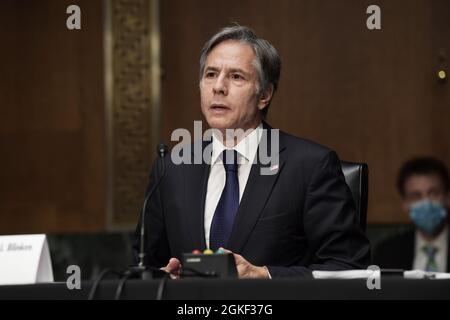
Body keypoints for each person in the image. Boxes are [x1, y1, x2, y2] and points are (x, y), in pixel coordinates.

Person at [133, 25, 370, 278]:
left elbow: (349, 267)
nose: (219, 87)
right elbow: (143, 266)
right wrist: (162, 276)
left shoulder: (310, 166)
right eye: (211, 74)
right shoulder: (171, 169)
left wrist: (266, 276)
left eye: (236, 77)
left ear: (264, 95)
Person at [373, 157, 450, 272]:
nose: (426, 203)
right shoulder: (386, 252)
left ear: (447, 197)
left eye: (433, 193)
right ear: (405, 204)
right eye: (416, 196)